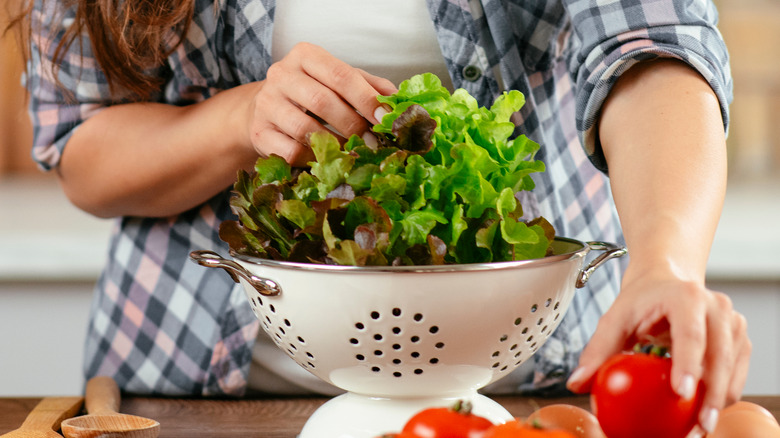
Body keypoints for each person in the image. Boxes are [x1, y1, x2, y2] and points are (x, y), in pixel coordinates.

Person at [15, 0, 749, 435]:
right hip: (194, 393)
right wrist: (241, 120)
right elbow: (81, 145)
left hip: (531, 395)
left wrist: (665, 263)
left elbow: (654, 47)